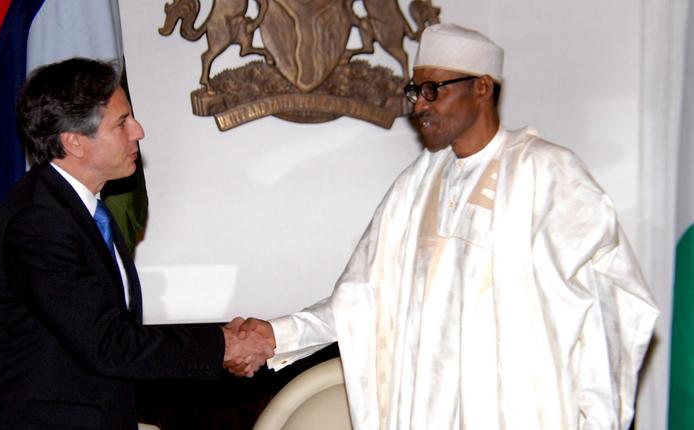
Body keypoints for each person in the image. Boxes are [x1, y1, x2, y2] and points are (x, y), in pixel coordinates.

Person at [237, 23, 659, 429]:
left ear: (481, 87)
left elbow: (612, 305)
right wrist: (279, 334)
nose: (420, 105)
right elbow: (364, 297)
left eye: (433, 90)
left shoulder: (547, 172)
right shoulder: (416, 185)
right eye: (416, 91)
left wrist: (599, 418)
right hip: (426, 411)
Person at [0, 58, 272, 429]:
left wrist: (222, 342)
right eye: (122, 122)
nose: (138, 131)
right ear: (73, 141)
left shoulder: (82, 212)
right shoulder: (38, 222)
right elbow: (107, 344)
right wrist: (223, 345)